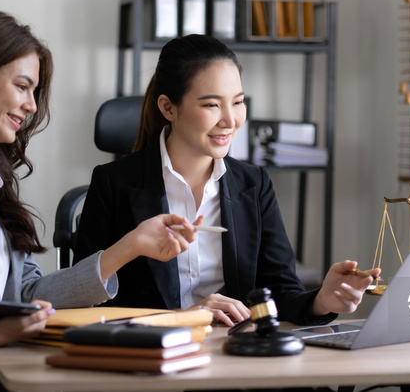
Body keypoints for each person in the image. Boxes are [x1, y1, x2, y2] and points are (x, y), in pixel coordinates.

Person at [0, 11, 197, 392]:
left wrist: (132, 246)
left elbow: (28, 295)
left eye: (34, 92)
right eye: (21, 86)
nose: (31, 105)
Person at [73, 33, 380, 327]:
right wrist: (186, 318)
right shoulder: (113, 184)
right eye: (211, 104)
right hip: (153, 361)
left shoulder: (253, 184)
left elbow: (280, 293)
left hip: (234, 354)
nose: (231, 120)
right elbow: (88, 303)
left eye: (237, 102)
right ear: (169, 108)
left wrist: (322, 300)